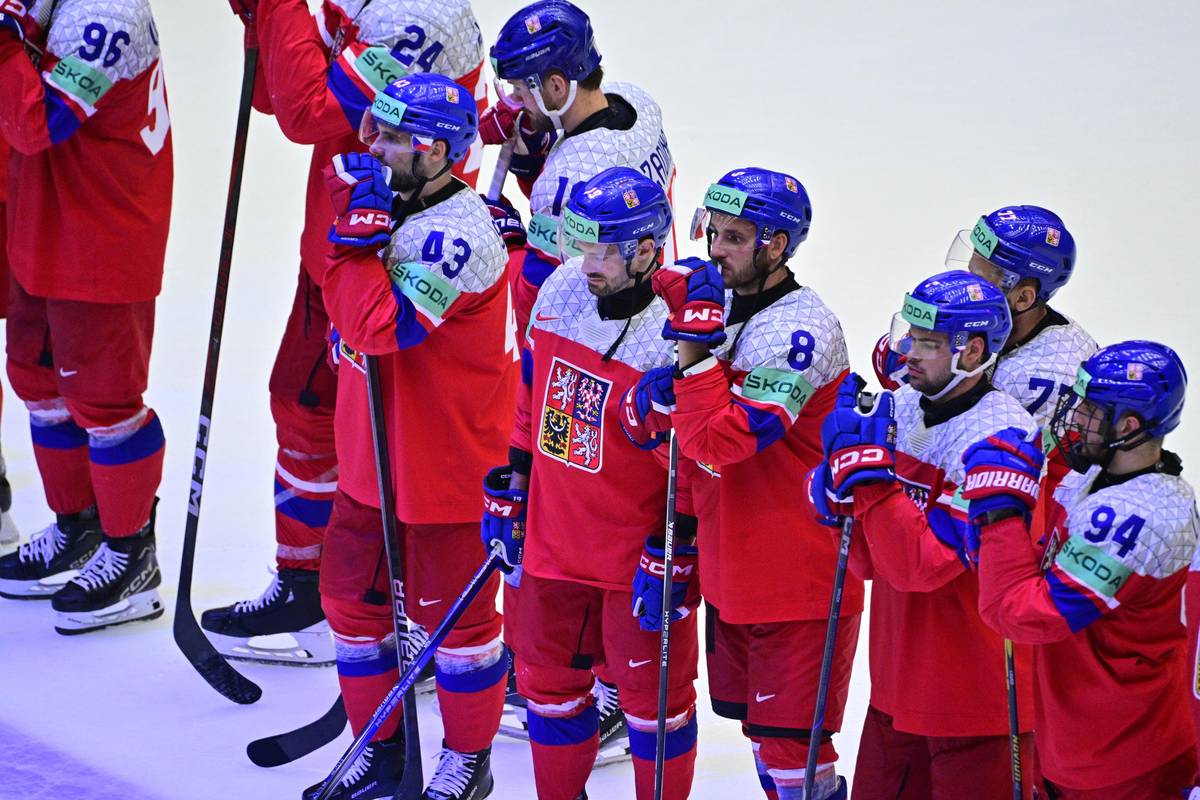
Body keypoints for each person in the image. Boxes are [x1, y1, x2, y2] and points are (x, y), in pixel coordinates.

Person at [203, 0, 489, 666]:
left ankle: (396, 611)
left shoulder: (418, 13)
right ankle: (316, 590)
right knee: (306, 409)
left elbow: (306, 113)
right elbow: (279, 97)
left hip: (395, 256)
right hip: (344, 244)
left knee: (389, 442)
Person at [310, 72, 514, 800]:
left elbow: (380, 326)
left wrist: (351, 250)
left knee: (454, 629)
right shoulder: (389, 202)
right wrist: (350, 242)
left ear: (439, 152)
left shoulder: (459, 234)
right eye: (376, 130)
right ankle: (379, 746)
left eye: (394, 138)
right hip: (373, 454)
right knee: (349, 602)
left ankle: (468, 759)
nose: (374, 148)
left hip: (445, 468)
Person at [482, 0, 676, 750]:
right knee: (607, 510)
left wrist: (506, 241)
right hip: (640, 332)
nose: (519, 103)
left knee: (571, 511)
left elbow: (549, 289)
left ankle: (585, 682)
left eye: (529, 88)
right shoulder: (640, 110)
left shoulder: (576, 170)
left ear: (561, 83)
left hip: (583, 355)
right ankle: (600, 679)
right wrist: (533, 152)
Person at [482, 166, 698, 800]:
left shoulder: (680, 332)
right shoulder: (559, 291)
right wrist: (514, 478)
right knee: (548, 690)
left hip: (638, 558)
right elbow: (532, 398)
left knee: (654, 705)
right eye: (584, 244)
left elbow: (700, 459)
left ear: (646, 251)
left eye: (605, 248)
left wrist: (681, 539)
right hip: (551, 547)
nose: (589, 262)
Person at [654, 168, 857, 800]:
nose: (715, 249)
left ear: (776, 245)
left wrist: (691, 356)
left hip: (798, 582)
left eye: (735, 237)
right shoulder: (721, 303)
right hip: (734, 569)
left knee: (794, 748)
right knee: (763, 738)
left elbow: (719, 443)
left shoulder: (802, 333)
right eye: (712, 231)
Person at [809, 271, 1038, 798]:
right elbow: (871, 560)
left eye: (928, 343)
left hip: (974, 704)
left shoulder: (1001, 440)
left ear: (972, 349)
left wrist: (868, 489)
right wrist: (832, 494)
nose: (907, 351)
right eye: (909, 334)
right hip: (896, 687)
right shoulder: (904, 407)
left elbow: (920, 566)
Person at [0, 0, 172, 637]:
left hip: (102, 236)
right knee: (40, 386)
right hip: (45, 222)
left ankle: (132, 556)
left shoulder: (106, 14)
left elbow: (36, 121)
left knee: (107, 404)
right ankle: (79, 528)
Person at [972, 341, 1198, 798]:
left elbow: (1023, 614)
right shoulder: (1084, 480)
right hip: (1073, 744)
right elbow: (1030, 570)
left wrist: (1001, 514)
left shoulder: (1140, 518)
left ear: (1128, 426)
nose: (1073, 418)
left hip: (1127, 760)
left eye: (1090, 411)